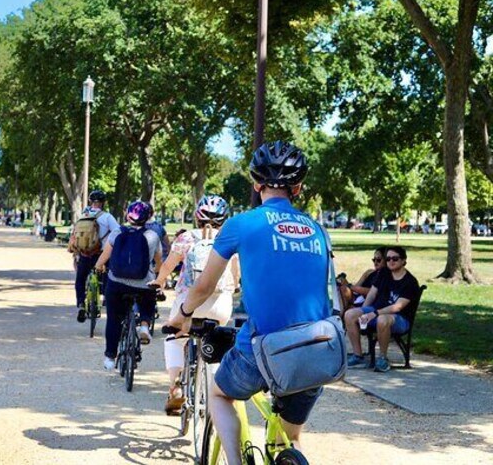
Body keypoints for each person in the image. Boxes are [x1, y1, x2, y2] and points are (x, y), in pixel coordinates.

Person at [166, 140, 330, 463]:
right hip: (317, 347)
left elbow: (203, 287)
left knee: (219, 393)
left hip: (265, 346)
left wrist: (182, 316)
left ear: (256, 184)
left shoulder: (240, 224)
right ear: (298, 188)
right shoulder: (318, 230)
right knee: (290, 437)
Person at [152, 195, 239, 415]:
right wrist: (234, 286)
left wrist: (159, 282)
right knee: (219, 343)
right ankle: (217, 388)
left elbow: (168, 267)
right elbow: (236, 275)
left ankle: (175, 387)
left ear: (197, 217)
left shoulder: (185, 238)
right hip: (220, 304)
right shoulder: (230, 239)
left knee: (174, 339)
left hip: (188, 302)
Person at [95, 200, 162, 370]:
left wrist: (99, 266)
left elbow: (105, 256)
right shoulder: (152, 236)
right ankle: (145, 325)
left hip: (117, 283)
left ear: (128, 215)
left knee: (114, 319)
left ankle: (110, 357)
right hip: (143, 283)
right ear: (148, 217)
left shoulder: (117, 232)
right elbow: (158, 260)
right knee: (148, 298)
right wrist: (159, 276)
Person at [344, 245, 421, 373]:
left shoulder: (410, 282)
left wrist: (374, 313)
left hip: (399, 319)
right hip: (376, 311)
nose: (390, 261)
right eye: (388, 258)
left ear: (403, 261)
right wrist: (363, 311)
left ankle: (383, 359)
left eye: (395, 259)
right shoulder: (384, 273)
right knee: (350, 314)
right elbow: (372, 293)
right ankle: (358, 355)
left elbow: (397, 307)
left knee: (382, 320)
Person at [68, 190, 121, 322]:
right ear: (103, 203)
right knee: (109, 276)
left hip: (85, 254)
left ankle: (81, 303)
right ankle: (106, 299)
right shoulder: (107, 217)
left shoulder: (83, 216)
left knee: (80, 279)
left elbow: (75, 235)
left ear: (90, 202)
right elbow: (118, 232)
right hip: (101, 254)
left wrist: (75, 254)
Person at [337, 246, 386, 315]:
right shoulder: (369, 272)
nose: (375, 263)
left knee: (349, 307)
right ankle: (339, 314)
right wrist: (345, 283)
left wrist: (349, 286)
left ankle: (341, 315)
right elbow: (356, 286)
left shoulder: (386, 276)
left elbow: (372, 292)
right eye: (373, 260)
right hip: (358, 297)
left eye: (378, 260)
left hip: (369, 301)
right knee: (342, 288)